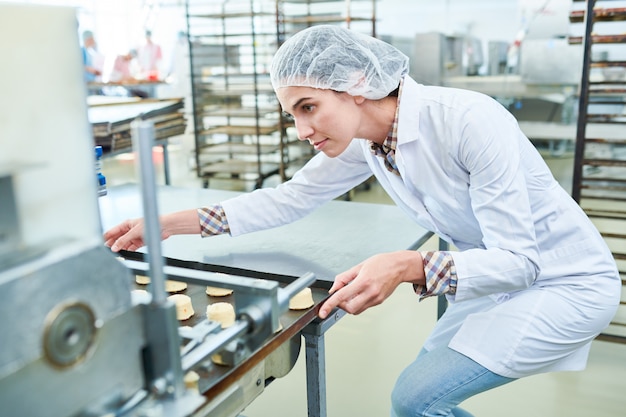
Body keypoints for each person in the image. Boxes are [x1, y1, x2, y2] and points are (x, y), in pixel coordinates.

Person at [104, 25, 621, 416]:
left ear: (355, 84)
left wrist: (408, 265)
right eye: (293, 115)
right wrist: (172, 223)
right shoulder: (366, 140)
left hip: (563, 282)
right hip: (496, 278)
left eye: (309, 107)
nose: (302, 129)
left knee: (415, 399)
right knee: (421, 399)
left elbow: (522, 262)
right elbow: (290, 199)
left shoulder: (468, 121)